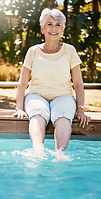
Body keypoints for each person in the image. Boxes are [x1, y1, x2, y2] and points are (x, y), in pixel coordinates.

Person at [14, 8, 91, 152]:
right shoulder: (33, 51)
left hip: (64, 96)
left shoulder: (70, 51)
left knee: (62, 115)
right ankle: (38, 151)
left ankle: (60, 155)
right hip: (36, 95)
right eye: (49, 24)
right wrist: (19, 108)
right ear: (42, 28)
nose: (53, 28)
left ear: (63, 29)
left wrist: (80, 109)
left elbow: (79, 84)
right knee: (37, 112)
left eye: (58, 24)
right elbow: (22, 83)